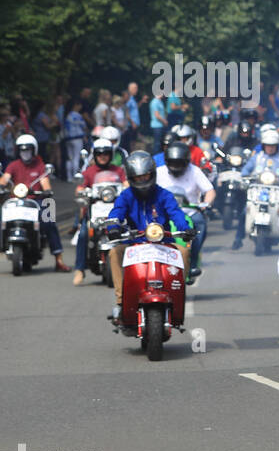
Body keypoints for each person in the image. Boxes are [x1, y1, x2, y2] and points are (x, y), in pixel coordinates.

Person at [106, 152, 192, 323]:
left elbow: (176, 214)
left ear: (152, 174)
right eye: (137, 177)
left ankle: (177, 294)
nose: (142, 180)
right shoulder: (126, 196)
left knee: (184, 252)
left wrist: (186, 229)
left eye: (145, 176)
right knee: (114, 252)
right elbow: (116, 212)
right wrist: (113, 227)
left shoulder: (164, 195)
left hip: (164, 243)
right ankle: (121, 301)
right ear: (131, 178)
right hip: (134, 244)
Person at [0, 134, 69, 271]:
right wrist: (3, 186)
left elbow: (45, 183)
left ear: (34, 151)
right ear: (18, 151)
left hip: (36, 202)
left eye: (28, 150)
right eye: (22, 150)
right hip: (16, 202)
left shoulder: (40, 166)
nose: (25, 153)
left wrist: (46, 191)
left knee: (49, 222)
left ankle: (58, 259)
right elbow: (5, 179)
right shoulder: (13, 165)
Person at [155, 141, 214, 283]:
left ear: (187, 162)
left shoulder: (195, 171)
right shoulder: (159, 172)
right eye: (173, 163)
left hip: (190, 212)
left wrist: (205, 204)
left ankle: (193, 260)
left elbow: (210, 191)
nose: (176, 167)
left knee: (200, 224)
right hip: (164, 214)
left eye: (180, 163)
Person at [71, 138, 127, 285]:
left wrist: (127, 190)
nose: (103, 156)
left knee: (129, 232)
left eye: (106, 154)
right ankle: (79, 270)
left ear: (111, 154)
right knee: (83, 234)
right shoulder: (89, 172)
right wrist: (82, 192)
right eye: (99, 154)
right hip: (95, 211)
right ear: (95, 155)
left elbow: (126, 184)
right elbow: (80, 188)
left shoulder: (119, 171)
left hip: (114, 211)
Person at [234, 128, 279, 250]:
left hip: (277, 192)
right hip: (258, 191)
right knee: (245, 212)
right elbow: (245, 170)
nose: (270, 148)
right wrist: (245, 176)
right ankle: (238, 239)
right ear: (263, 146)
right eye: (267, 145)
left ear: (277, 146)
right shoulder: (257, 158)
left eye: (273, 146)